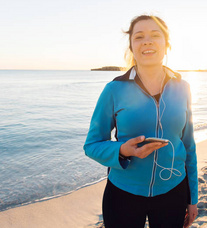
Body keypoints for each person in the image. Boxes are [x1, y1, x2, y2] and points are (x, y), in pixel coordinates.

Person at [84, 15, 198, 228]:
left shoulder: (183, 88)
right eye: (139, 37)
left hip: (173, 190)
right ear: (132, 47)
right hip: (123, 192)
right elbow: (91, 145)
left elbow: (189, 146)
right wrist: (123, 150)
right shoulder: (114, 89)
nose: (147, 41)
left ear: (167, 45)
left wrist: (193, 199)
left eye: (155, 35)